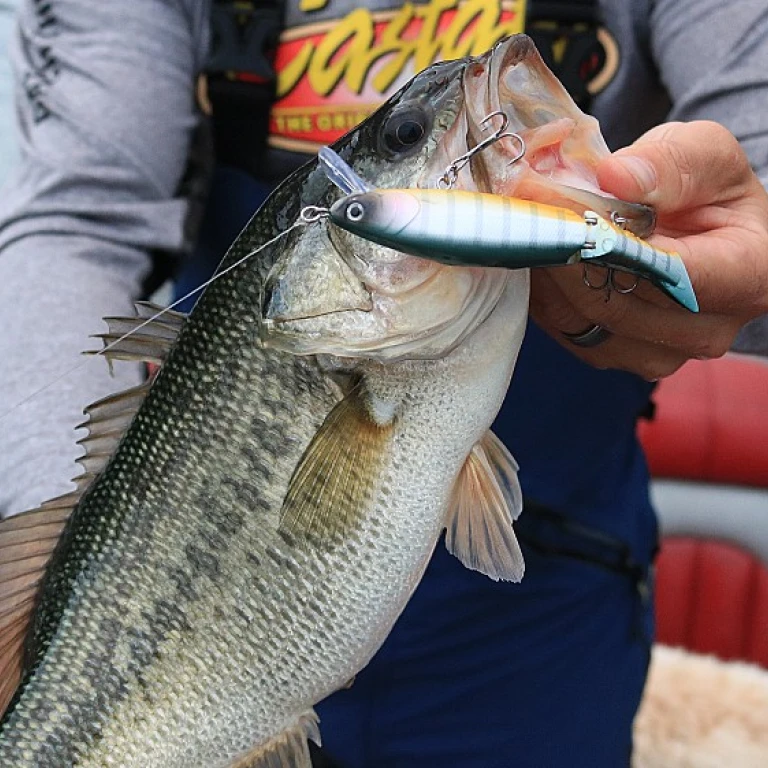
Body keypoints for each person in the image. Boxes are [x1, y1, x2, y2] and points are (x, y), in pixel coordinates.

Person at [0, 1, 767, 766]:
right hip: (191, 656)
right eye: (407, 140)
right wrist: (93, 617)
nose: (467, 109)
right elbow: (80, 215)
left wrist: (743, 267)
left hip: (540, 624)